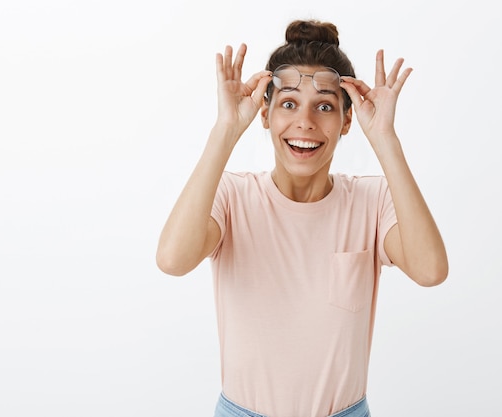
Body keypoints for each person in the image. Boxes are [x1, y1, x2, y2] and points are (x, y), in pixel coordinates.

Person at [156, 19, 448, 417]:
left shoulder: (373, 200)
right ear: (265, 115)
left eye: (324, 106)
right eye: (289, 104)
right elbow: (173, 260)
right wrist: (225, 129)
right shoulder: (231, 195)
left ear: (347, 120)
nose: (305, 122)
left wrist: (384, 137)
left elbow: (431, 270)